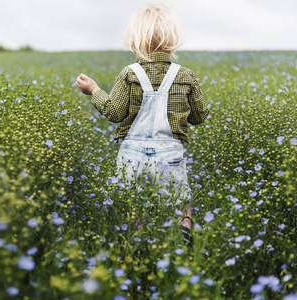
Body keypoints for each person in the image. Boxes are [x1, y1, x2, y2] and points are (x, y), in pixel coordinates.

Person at [75, 3, 209, 246]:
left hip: (133, 155)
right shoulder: (186, 76)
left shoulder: (129, 73)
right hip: (170, 153)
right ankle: (185, 228)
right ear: (174, 41)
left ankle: (138, 244)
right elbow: (198, 118)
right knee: (181, 202)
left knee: (136, 206)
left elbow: (114, 112)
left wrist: (94, 90)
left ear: (135, 41)